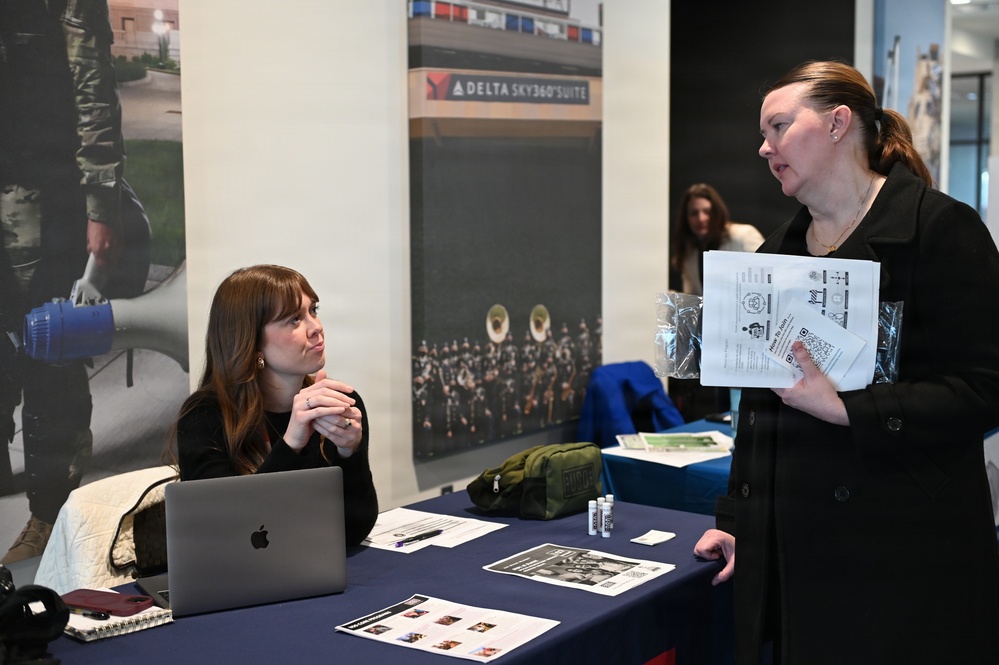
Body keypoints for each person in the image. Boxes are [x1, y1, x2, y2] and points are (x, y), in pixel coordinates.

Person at [693, 60, 999, 664]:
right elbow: (756, 416)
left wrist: (851, 409)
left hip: (906, 569)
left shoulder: (940, 231)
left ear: (838, 124)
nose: (764, 147)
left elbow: (986, 389)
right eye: (763, 133)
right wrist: (739, 523)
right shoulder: (774, 252)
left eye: (779, 126)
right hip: (799, 563)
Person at [1, 0, 151, 563]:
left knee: (47, 354)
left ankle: (49, 517)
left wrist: (100, 204)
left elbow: (91, 81)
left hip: (37, 197)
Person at [170, 265, 378, 546]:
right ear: (252, 344)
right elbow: (228, 536)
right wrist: (292, 443)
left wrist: (349, 453)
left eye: (313, 311)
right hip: (240, 583)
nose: (316, 328)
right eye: (294, 319)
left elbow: (354, 531)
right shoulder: (204, 417)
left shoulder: (336, 405)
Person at [670, 183, 764, 296]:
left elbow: (768, 281)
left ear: (717, 212)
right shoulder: (688, 253)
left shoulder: (743, 235)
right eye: (694, 213)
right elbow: (694, 299)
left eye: (707, 211)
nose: (701, 218)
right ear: (686, 218)